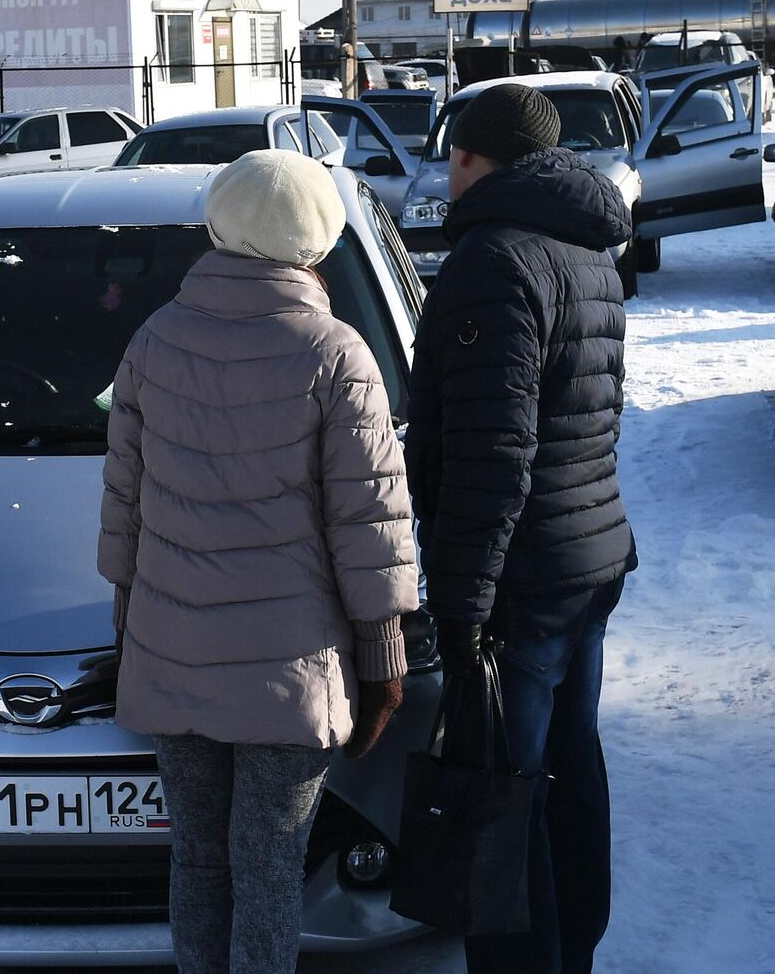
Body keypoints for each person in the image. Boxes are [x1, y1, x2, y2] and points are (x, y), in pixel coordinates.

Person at [99, 149, 418, 974]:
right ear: (317, 242)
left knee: (198, 863)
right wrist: (385, 667)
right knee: (270, 873)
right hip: (290, 672)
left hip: (172, 660)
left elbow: (124, 504)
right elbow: (369, 519)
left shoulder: (152, 340)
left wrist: (131, 623)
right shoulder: (336, 353)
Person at [405, 83, 637, 974]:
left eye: (455, 156)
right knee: (569, 767)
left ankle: (529, 962)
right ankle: (573, 945)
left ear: (473, 157)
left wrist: (463, 608)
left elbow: (490, 456)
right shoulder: (585, 251)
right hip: (588, 557)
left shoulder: (493, 260)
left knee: (508, 795)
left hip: (525, 578)